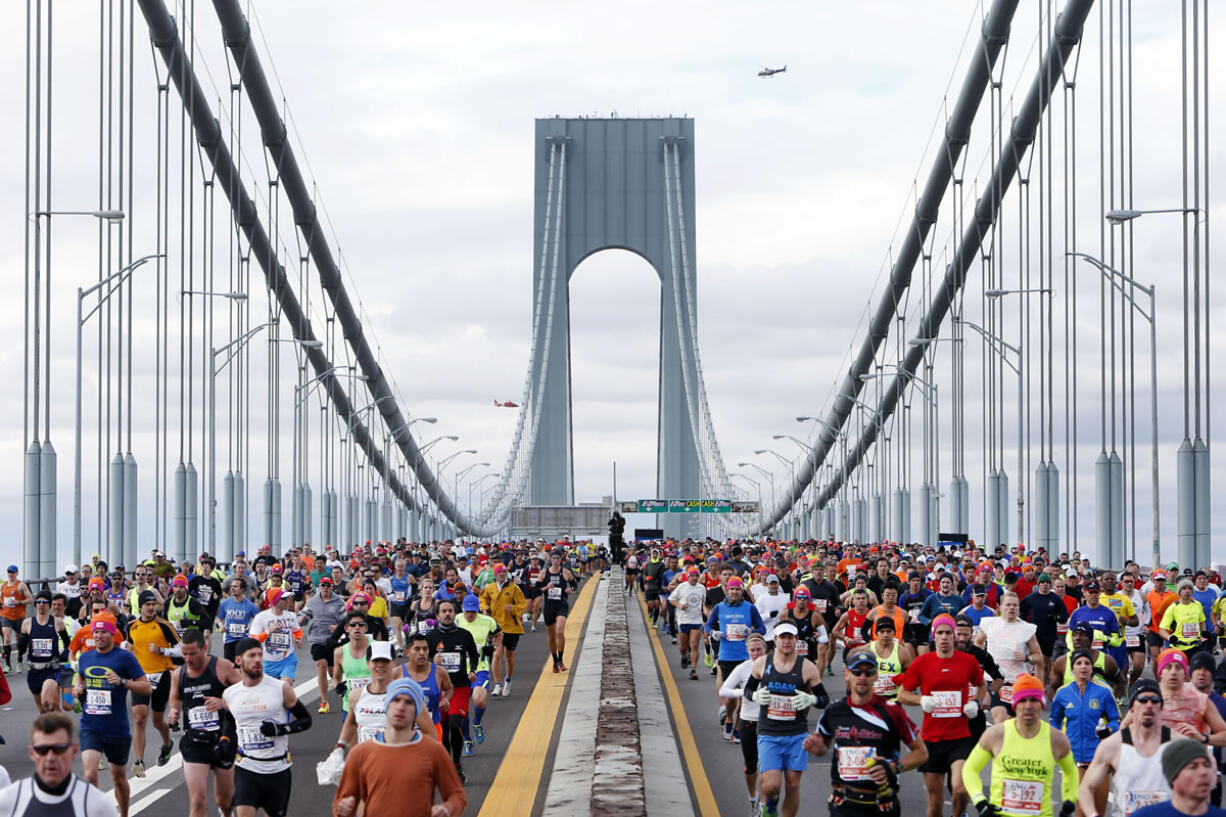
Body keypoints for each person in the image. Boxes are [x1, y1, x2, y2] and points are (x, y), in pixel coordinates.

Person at [805, 649, 928, 817]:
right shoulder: (834, 711)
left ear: (876, 676)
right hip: (844, 803)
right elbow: (822, 748)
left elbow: (921, 753)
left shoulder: (892, 711)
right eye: (857, 671)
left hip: (882, 804)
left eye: (868, 672)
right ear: (847, 674)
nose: (862, 677)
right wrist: (816, 748)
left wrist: (893, 767)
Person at [332, 677, 466, 817]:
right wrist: (343, 810)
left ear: (417, 712)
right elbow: (341, 801)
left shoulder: (433, 751)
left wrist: (448, 808)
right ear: (386, 706)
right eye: (396, 700)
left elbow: (457, 796)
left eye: (409, 702)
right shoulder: (360, 753)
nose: (401, 707)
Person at [896, 613, 986, 817]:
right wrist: (922, 700)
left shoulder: (968, 661)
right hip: (932, 739)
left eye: (948, 632)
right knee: (935, 803)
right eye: (940, 633)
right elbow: (902, 693)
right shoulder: (923, 663)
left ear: (954, 636)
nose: (944, 637)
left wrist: (976, 702)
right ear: (933, 636)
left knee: (960, 790)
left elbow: (981, 685)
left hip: (960, 737)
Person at [962, 674, 1079, 817]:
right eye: (1022, 700)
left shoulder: (1056, 738)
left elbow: (1071, 772)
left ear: (1042, 704)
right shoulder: (996, 734)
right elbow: (970, 769)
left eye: (1034, 700)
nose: (1028, 706)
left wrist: (1069, 802)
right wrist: (980, 802)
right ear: (1015, 704)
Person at [742, 621, 826, 817]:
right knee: (772, 786)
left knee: (793, 785)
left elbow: (824, 700)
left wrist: (811, 698)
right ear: (776, 639)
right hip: (769, 732)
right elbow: (748, 689)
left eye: (790, 637)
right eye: (783, 637)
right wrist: (754, 696)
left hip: (796, 734)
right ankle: (767, 808)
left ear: (796, 640)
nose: (786, 641)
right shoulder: (762, 663)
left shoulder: (807, 667)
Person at [222, 637, 313, 817]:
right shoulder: (230, 694)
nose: (257, 660)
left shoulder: (280, 688)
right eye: (252, 655)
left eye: (260, 655)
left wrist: (280, 730)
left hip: (277, 769)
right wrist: (224, 739)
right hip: (246, 767)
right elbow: (230, 722)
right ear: (238, 660)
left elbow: (305, 720)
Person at [74, 613, 152, 817]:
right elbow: (80, 679)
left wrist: (123, 682)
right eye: (96, 632)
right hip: (90, 725)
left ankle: (124, 813)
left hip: (116, 729)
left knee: (118, 778)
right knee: (90, 776)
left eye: (103, 632)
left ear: (112, 633)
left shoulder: (124, 657)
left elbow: (146, 687)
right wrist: (78, 688)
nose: (98, 636)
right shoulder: (86, 657)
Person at [167, 627, 241, 817]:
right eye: (184, 654)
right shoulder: (179, 674)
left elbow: (245, 694)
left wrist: (223, 702)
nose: (188, 659)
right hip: (195, 742)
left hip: (223, 740)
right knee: (198, 800)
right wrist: (174, 712)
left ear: (204, 648)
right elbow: (175, 698)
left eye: (193, 654)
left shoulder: (222, 667)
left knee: (224, 801)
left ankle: (227, 813)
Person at [1078, 679, 1172, 817]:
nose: (1149, 705)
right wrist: (1093, 815)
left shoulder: (1178, 744)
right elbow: (1086, 788)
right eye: (1143, 700)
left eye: (1155, 700)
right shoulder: (1112, 746)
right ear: (1132, 707)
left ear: (1161, 707)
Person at [0, 712, 119, 816]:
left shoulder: (98, 805)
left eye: (59, 748)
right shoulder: (8, 801)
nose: (50, 758)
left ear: (73, 751)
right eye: (42, 750)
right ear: (32, 753)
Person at [121, 591, 179, 777]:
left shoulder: (164, 625)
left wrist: (163, 650)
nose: (151, 607)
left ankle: (167, 743)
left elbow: (181, 649)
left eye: (153, 604)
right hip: (140, 677)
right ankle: (139, 761)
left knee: (156, 720)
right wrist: (123, 652)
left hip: (161, 676)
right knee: (139, 717)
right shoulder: (131, 625)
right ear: (140, 606)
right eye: (147, 604)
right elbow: (131, 646)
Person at [707, 576, 768, 742]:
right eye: (732, 589)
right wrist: (714, 633)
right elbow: (707, 625)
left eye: (738, 589)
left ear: (742, 591)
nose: (734, 592)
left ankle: (737, 728)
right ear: (727, 591)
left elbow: (762, 628)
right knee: (731, 697)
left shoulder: (749, 608)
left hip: (746, 658)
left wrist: (751, 631)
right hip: (727, 657)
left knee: (745, 696)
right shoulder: (720, 607)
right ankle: (728, 719)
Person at [425, 598, 478, 781]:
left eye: (450, 611)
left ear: (455, 613)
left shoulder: (464, 634)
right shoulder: (430, 637)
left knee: (455, 725)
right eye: (444, 611)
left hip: (460, 687)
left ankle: (457, 764)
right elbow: (421, 661)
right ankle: (448, 764)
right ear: (437, 615)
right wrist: (432, 661)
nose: (447, 614)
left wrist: (472, 671)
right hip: (438, 690)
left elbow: (473, 654)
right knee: (444, 729)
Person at [719, 633, 769, 815]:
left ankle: (764, 805)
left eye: (759, 649)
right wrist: (745, 693)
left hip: (770, 723)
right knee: (751, 765)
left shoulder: (775, 667)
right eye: (752, 650)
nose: (756, 653)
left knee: (767, 766)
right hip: (749, 721)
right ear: (747, 651)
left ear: (766, 650)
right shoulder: (743, 668)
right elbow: (724, 690)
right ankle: (752, 795)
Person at [975, 592, 1043, 723]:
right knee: (1000, 719)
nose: (1011, 608)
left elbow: (1038, 658)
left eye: (1015, 605)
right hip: (995, 681)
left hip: (1017, 682)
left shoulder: (1026, 629)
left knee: (1016, 723)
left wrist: (1026, 657)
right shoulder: (990, 624)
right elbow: (978, 642)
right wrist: (983, 658)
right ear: (1000, 607)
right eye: (1008, 605)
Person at [1050, 649, 1121, 769]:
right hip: (1071, 754)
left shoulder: (1104, 692)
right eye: (1079, 663)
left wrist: (1108, 730)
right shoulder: (1063, 693)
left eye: (1087, 663)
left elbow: (1117, 720)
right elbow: (1054, 720)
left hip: (1098, 753)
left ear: (1092, 668)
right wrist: (1057, 740)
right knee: (1074, 788)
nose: (1083, 667)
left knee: (1094, 788)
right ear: (1072, 668)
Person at [1131, 738, 1226, 817]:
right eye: (1193, 767)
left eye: (1206, 765)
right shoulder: (1146, 815)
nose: (1204, 772)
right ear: (1173, 775)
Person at [456, 594, 500, 752]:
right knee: (460, 710)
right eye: (467, 611)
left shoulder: (487, 621)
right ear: (463, 609)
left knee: (479, 700)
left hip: (480, 667)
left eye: (473, 612)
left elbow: (498, 634)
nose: (469, 615)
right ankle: (467, 741)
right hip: (460, 669)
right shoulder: (457, 620)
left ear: (478, 610)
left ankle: (477, 723)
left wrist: (495, 649)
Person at [299, 576, 345, 713]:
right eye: (323, 585)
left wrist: (337, 627)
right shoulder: (312, 602)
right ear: (319, 587)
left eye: (327, 585)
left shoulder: (339, 602)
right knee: (321, 665)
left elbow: (346, 621)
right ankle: (324, 702)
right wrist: (296, 621)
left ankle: (345, 696)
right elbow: (303, 617)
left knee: (333, 673)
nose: (325, 588)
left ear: (331, 587)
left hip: (333, 640)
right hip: (316, 640)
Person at [478, 563, 525, 696]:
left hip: (511, 626)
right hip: (496, 627)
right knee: (497, 653)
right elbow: (482, 598)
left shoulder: (514, 588)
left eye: (504, 572)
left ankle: (508, 681)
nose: (502, 574)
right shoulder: (490, 588)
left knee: (509, 656)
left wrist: (514, 609)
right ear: (495, 574)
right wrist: (485, 609)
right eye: (500, 572)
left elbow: (522, 604)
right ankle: (497, 684)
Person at [21, 590, 70, 712]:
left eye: (44, 602)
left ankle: (60, 725)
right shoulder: (27, 623)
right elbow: (22, 646)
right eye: (38, 601)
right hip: (34, 670)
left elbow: (68, 644)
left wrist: (63, 655)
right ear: (35, 604)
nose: (41, 604)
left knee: (48, 702)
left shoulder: (57, 622)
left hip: (51, 669)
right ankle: (59, 724)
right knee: (42, 709)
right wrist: (21, 644)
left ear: (49, 604)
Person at [248, 588, 303, 681]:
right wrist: (268, 631)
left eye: (288, 598)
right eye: (284, 599)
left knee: (285, 685)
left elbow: (296, 630)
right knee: (269, 693)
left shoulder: (291, 616)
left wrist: (298, 638)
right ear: (276, 600)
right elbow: (253, 641)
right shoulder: (261, 617)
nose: (288, 601)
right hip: (268, 662)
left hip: (288, 659)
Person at [671, 566, 709, 681]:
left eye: (696, 576)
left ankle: (693, 670)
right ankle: (684, 655)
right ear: (688, 577)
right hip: (683, 620)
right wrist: (679, 605)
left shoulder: (702, 588)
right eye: (692, 576)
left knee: (694, 644)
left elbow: (704, 603)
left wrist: (705, 612)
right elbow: (671, 599)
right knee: (683, 646)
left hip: (696, 620)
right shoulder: (682, 587)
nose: (694, 578)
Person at [541, 550, 577, 672]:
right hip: (549, 606)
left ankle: (561, 660)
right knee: (551, 636)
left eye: (557, 558)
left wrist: (570, 589)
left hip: (561, 605)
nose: (555, 560)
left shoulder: (566, 573)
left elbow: (574, 586)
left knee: (560, 632)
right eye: (553, 558)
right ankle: (554, 661)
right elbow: (537, 589)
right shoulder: (544, 573)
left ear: (561, 560)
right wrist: (546, 587)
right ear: (550, 560)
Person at [218, 578, 260, 664]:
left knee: (242, 667)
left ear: (242, 589)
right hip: (229, 640)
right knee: (229, 667)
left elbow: (259, 620)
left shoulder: (250, 605)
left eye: (235, 586)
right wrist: (220, 626)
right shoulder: (225, 603)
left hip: (244, 641)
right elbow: (218, 619)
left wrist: (251, 627)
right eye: (231, 586)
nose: (232, 588)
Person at [2, 565, 33, 672]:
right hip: (6, 615)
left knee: (21, 642)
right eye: (9, 572)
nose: (11, 574)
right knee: (6, 638)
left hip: (19, 617)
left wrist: (19, 602)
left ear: (17, 573)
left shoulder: (21, 585)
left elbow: (30, 599)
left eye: (13, 572)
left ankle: (19, 660)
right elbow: (2, 601)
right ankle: (8, 665)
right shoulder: (4, 586)